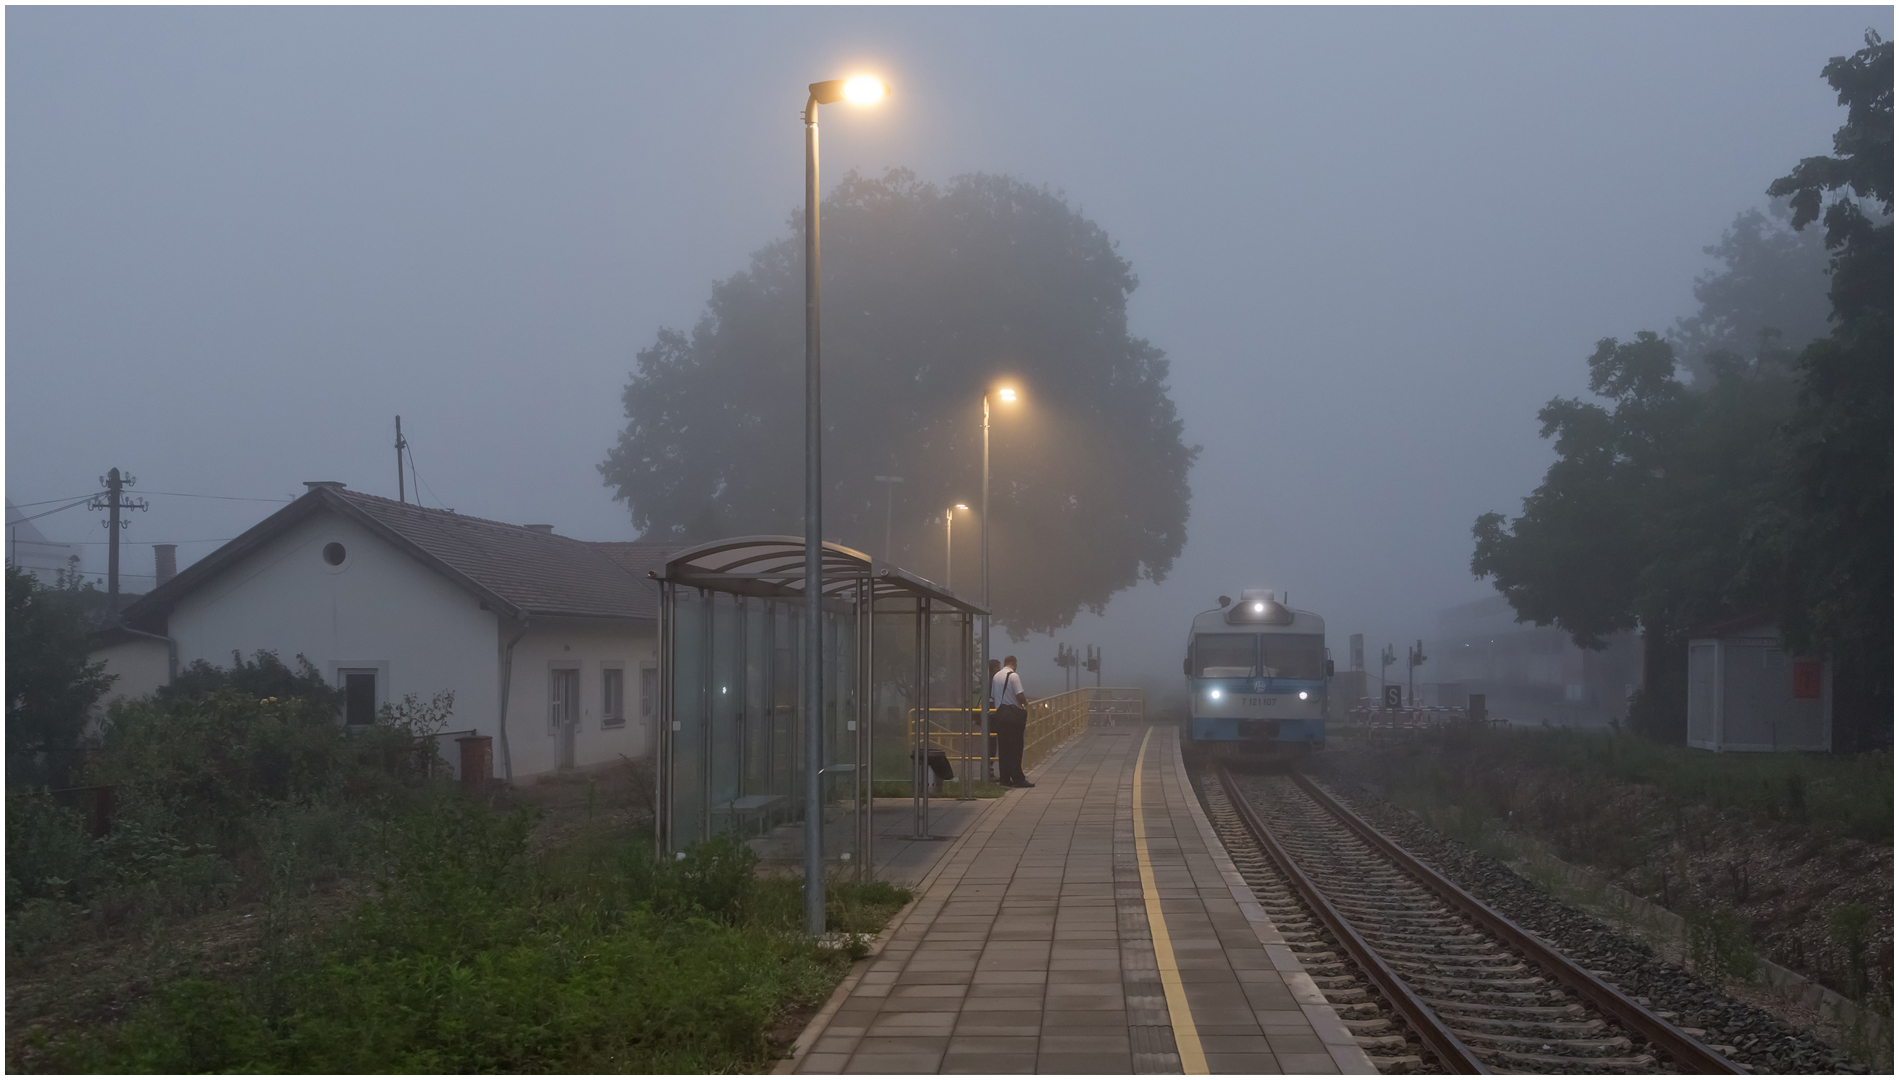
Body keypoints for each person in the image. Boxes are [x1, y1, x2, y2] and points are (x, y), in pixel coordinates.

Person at [990, 655, 1033, 788]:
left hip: (1000, 716)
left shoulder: (996, 676)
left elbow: (992, 697)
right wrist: (1025, 704)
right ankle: (1018, 778)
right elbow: (1019, 695)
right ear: (1015, 663)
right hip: (1013, 717)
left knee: (1003, 749)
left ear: (1004, 663)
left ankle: (1004, 778)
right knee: (1015, 748)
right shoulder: (1014, 676)